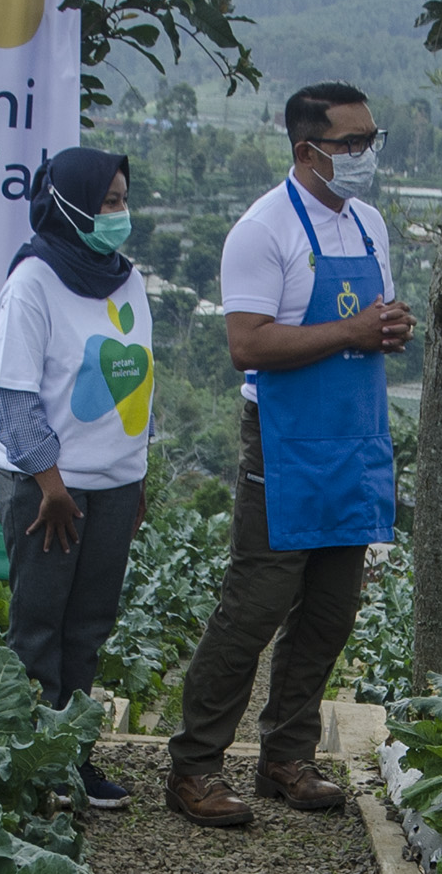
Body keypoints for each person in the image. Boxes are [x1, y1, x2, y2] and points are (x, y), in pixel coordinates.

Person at [164, 81, 413, 826]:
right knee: (256, 604)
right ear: (308, 150)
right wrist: (353, 333)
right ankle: (195, 766)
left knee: (332, 609)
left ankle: (287, 755)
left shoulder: (369, 225)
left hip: (354, 437)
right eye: (352, 144)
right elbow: (249, 343)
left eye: (373, 140)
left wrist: (390, 326)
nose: (366, 156)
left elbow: (373, 320)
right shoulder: (263, 230)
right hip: (284, 442)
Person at [0, 144, 153, 812]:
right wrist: (51, 483)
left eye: (122, 199)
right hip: (48, 489)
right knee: (39, 627)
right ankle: (32, 765)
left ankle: (74, 756)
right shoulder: (32, 282)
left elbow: (136, 378)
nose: (120, 213)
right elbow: (13, 396)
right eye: (108, 201)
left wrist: (134, 477)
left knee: (88, 625)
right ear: (70, 203)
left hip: (113, 486)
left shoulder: (126, 278)